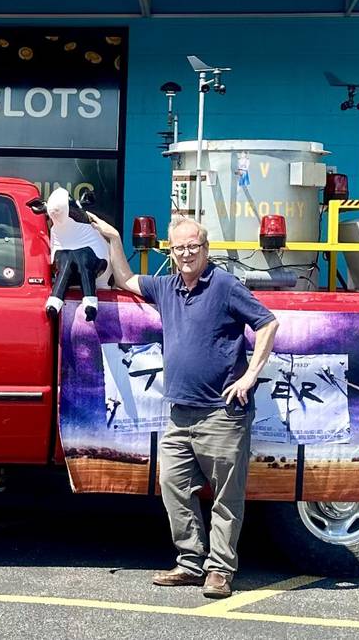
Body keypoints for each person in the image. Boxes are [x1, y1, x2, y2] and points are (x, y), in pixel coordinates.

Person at [93, 212, 279, 598]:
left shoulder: (224, 285)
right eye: (179, 248)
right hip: (179, 414)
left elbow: (267, 323)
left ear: (206, 249)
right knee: (172, 485)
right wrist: (113, 238)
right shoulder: (166, 287)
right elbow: (125, 279)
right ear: (171, 252)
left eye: (193, 246)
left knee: (226, 497)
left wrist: (249, 377)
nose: (187, 253)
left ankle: (220, 571)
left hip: (222, 413)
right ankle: (191, 562)